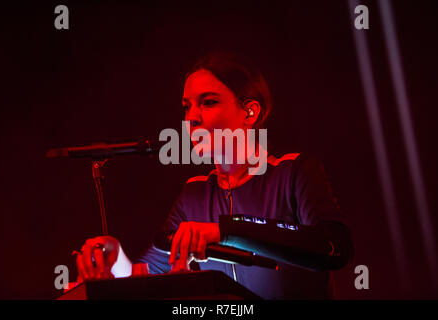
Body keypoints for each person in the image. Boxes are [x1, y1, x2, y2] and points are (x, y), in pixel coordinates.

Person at [74, 51, 353, 299]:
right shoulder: (194, 194)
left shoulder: (294, 171)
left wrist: (224, 231)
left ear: (250, 112)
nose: (191, 117)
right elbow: (149, 276)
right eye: (187, 106)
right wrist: (115, 261)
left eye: (207, 102)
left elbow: (333, 248)